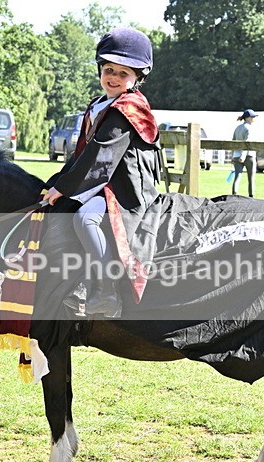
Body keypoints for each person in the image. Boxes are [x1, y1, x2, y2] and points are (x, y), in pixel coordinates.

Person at [43, 27, 161, 317]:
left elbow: (101, 158)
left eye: (124, 73)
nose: (114, 77)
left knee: (86, 218)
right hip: (103, 180)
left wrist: (67, 188)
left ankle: (106, 290)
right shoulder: (98, 105)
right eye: (109, 69)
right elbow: (83, 153)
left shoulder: (128, 108)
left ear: (137, 78)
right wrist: (55, 183)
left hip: (125, 187)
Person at [231, 109, 258, 197]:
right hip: (248, 155)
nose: (254, 118)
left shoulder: (237, 128)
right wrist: (243, 155)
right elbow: (247, 143)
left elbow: (233, 142)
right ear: (247, 118)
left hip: (236, 155)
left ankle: (234, 195)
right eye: (252, 117)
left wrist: (233, 156)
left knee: (237, 177)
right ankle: (251, 196)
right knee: (251, 178)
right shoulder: (249, 128)